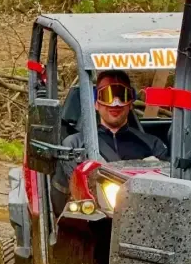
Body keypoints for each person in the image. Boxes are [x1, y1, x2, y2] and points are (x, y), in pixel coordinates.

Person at [53, 71, 168, 213]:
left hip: (145, 215)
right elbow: (62, 200)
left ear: (130, 103)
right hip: (93, 216)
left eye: (122, 96)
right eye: (107, 96)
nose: (115, 103)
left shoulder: (153, 145)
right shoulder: (73, 146)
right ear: (96, 103)